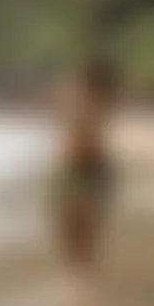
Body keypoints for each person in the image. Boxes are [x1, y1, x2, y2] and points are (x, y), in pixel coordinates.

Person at [53, 56, 119, 282]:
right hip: (72, 170)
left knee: (83, 233)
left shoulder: (95, 103)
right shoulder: (79, 101)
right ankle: (80, 279)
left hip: (88, 170)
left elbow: (90, 141)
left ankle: (84, 280)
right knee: (70, 231)